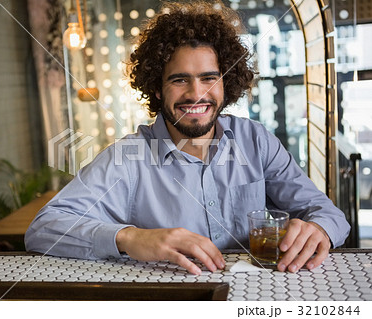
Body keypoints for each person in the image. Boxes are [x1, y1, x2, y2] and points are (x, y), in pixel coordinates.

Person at [25, 1, 350, 275]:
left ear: (226, 83)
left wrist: (318, 229)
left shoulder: (256, 141)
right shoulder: (126, 159)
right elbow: (43, 229)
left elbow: (328, 215)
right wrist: (131, 238)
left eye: (209, 78)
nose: (197, 94)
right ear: (156, 87)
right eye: (180, 80)